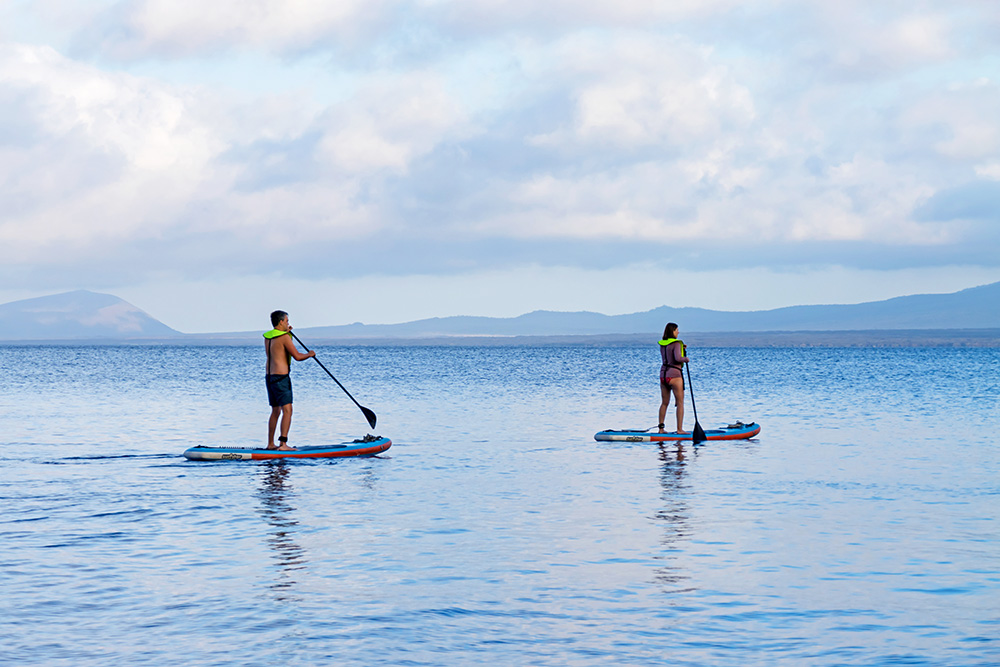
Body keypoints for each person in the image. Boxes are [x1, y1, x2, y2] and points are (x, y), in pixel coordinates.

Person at [263, 310, 315, 450]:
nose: (288, 323)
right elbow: (297, 356)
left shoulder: (268, 337)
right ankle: (283, 444)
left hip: (269, 377)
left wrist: (288, 333)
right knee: (287, 410)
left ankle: (270, 444)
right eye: (286, 321)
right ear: (281, 322)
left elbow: (279, 347)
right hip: (281, 378)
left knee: (275, 411)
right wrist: (310, 354)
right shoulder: (284, 337)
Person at [658, 322, 690, 434]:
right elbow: (677, 358)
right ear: (673, 331)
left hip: (663, 375)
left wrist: (681, 348)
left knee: (664, 403)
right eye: (677, 330)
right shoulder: (676, 343)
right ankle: (679, 429)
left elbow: (670, 354)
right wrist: (685, 359)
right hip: (675, 375)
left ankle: (661, 429)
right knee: (680, 403)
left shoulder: (663, 344)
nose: (678, 332)